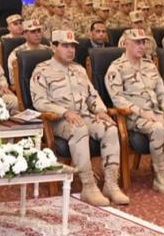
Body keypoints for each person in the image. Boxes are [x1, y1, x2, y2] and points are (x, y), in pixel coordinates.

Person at [30, 30, 128, 206]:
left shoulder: (79, 69)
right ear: (53, 47)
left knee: (110, 128)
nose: (70, 50)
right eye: (65, 46)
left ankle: (111, 184)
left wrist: (100, 111)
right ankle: (88, 186)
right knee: (79, 128)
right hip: (58, 121)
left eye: (73, 46)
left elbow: (92, 95)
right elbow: (39, 102)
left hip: (84, 116)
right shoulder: (42, 71)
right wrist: (64, 112)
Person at [105, 29, 164, 194]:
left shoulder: (150, 65)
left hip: (156, 113)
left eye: (143, 42)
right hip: (133, 117)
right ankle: (160, 177)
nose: (142, 46)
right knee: (158, 128)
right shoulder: (116, 68)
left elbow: (162, 93)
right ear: (126, 44)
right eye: (137, 42)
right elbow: (117, 99)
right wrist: (142, 112)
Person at [6, 19, 50, 86]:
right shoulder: (17, 54)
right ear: (25, 35)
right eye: (33, 32)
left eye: (39, 31)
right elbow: (14, 81)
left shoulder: (48, 50)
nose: (37, 35)